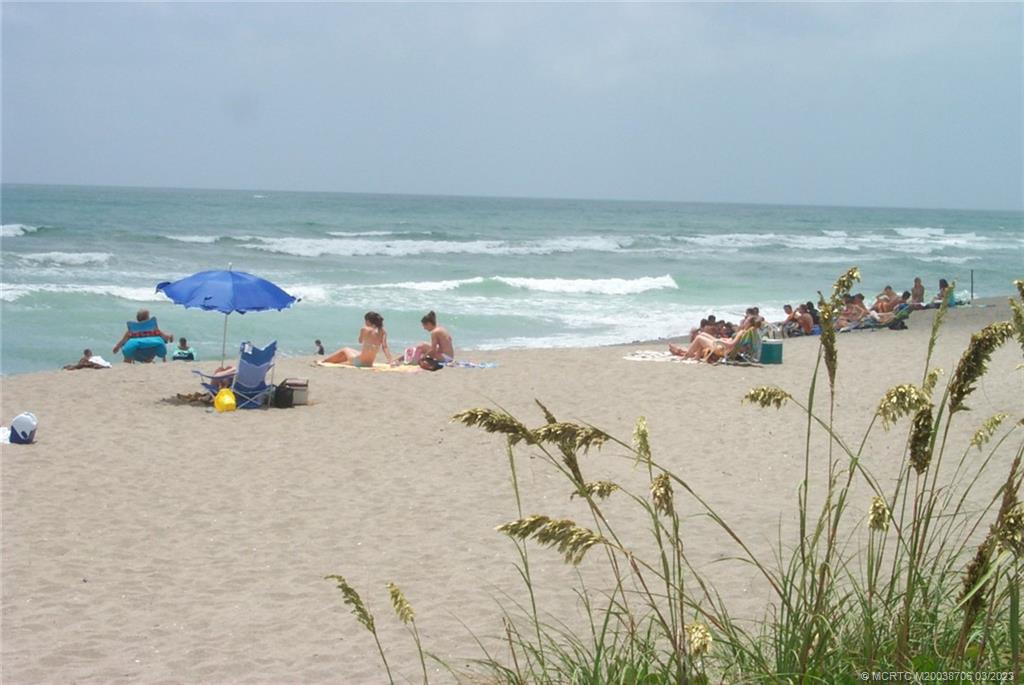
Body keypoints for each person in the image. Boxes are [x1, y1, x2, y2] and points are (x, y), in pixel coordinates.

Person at [319, 311, 394, 367]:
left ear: (368, 321)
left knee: (345, 349)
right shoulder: (383, 332)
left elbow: (360, 341)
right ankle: (330, 361)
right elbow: (385, 347)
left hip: (359, 363)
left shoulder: (364, 329)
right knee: (352, 353)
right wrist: (390, 361)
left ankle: (324, 361)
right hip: (369, 364)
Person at [669, 319, 762, 362]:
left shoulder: (742, 332)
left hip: (723, 348)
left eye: (746, 320)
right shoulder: (745, 332)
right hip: (724, 345)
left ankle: (686, 356)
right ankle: (696, 356)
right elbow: (734, 343)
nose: (744, 320)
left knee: (699, 338)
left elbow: (731, 345)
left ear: (749, 323)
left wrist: (721, 341)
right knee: (702, 334)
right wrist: (725, 339)